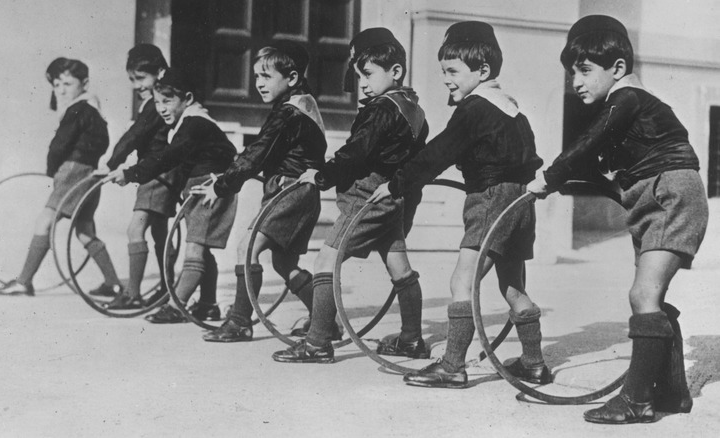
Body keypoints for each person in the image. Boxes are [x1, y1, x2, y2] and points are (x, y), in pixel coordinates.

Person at [528, 15, 706, 424]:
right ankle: (673, 393)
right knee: (650, 295)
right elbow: (601, 164)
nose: (576, 81)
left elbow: (587, 146)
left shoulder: (626, 99)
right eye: (572, 73)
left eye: (585, 71)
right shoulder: (629, 106)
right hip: (655, 196)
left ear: (618, 69)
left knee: (642, 295)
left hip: (669, 194)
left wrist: (549, 178)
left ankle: (637, 400)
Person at [369, 21, 548, 389]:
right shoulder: (512, 108)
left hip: (490, 200)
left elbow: (440, 152)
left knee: (461, 280)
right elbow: (529, 160)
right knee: (511, 286)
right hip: (520, 202)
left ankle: (452, 365)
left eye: (453, 71)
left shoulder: (475, 108)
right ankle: (533, 363)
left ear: (482, 71)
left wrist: (396, 183)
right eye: (443, 71)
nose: (446, 79)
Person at [271, 28, 429, 363]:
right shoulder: (414, 109)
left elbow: (356, 153)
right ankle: (412, 339)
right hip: (390, 197)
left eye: (368, 74)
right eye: (358, 76)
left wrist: (323, 174)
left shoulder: (381, 109)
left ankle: (317, 343)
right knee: (399, 266)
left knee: (325, 261)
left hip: (366, 197)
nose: (363, 84)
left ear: (395, 71)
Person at [193, 41, 327, 340]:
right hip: (295, 191)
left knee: (247, 247)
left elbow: (258, 152)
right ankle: (326, 320)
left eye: (266, 77)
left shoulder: (289, 112)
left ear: (291, 78)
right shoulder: (300, 103)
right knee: (283, 262)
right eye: (256, 77)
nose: (258, 84)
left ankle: (240, 321)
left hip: (290, 192)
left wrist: (222, 185)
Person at [106, 68, 238, 322]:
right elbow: (182, 163)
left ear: (187, 99)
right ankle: (208, 303)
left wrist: (132, 173)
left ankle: (176, 307)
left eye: (168, 101)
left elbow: (168, 158)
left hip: (210, 189)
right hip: (198, 188)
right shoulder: (185, 123)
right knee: (200, 247)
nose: (162, 108)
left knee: (194, 250)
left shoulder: (195, 123)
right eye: (157, 102)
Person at [0, 58, 121, 297]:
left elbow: (59, 145)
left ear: (84, 83)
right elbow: (102, 144)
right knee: (84, 230)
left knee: (44, 222)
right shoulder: (94, 111)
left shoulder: (77, 109)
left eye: (68, 84)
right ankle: (113, 283)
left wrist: (53, 170)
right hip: (90, 174)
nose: (61, 90)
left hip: (73, 172)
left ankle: (24, 281)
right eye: (57, 84)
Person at [102, 44, 187, 312]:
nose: (136, 85)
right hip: (162, 172)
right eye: (132, 79)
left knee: (135, 229)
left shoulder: (154, 103)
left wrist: (113, 162)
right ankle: (165, 287)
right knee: (160, 232)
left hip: (157, 175)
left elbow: (135, 135)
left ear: (159, 72)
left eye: (140, 78)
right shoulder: (158, 102)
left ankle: (133, 294)